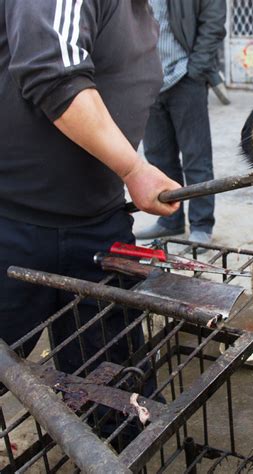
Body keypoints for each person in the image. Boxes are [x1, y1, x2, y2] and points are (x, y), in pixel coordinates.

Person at [0, 0, 180, 374]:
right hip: (15, 221)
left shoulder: (141, 13)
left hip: (98, 220)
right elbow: (53, 72)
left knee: (113, 383)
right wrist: (133, 167)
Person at [135, 0, 227, 245]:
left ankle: (201, 224)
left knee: (196, 157)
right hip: (146, 78)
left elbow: (214, 22)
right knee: (158, 157)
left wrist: (196, 69)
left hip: (185, 76)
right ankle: (169, 220)